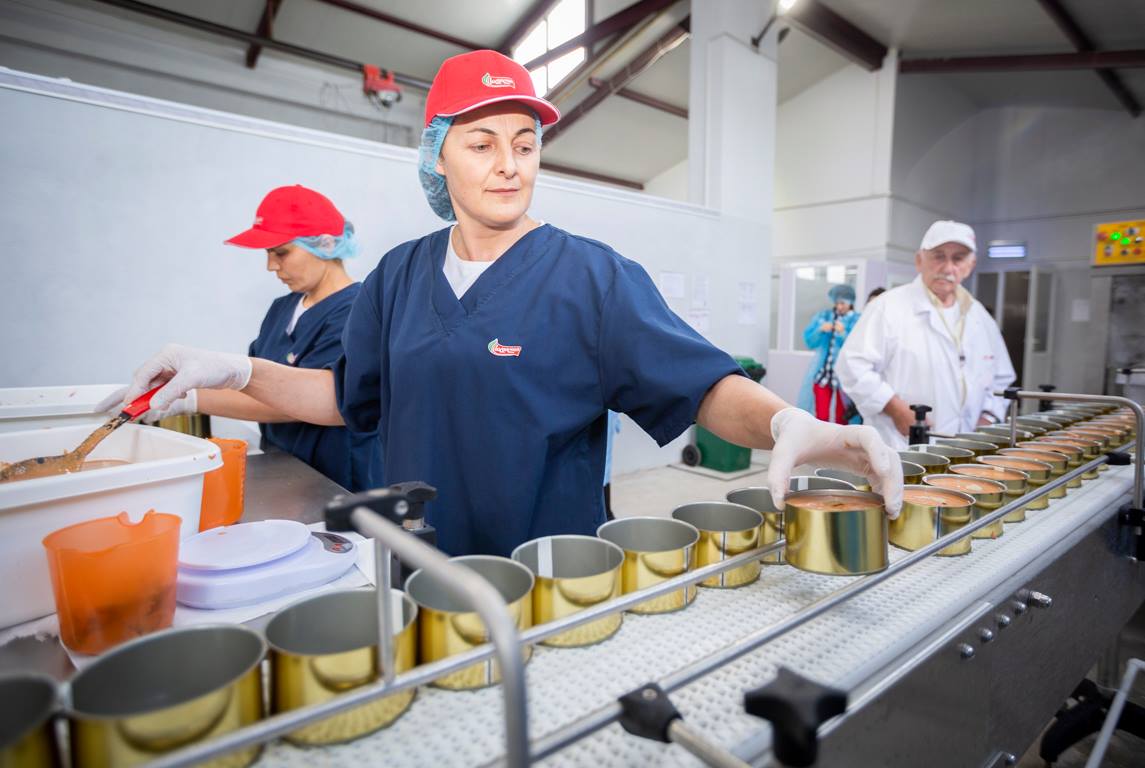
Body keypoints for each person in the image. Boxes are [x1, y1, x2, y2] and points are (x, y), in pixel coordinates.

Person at [121, 50, 903, 556]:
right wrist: (231, 371)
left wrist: (786, 423)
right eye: (481, 143)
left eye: (524, 145)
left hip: (545, 574)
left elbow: (700, 387)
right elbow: (342, 396)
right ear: (437, 157)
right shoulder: (397, 276)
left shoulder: (593, 278)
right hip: (416, 564)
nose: (509, 165)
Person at [111, 185, 377, 491]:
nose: (271, 265)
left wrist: (190, 398)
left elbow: (308, 400)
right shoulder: (282, 308)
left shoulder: (356, 311)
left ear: (326, 244)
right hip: (284, 467)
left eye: (282, 252)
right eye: (268, 253)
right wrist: (179, 384)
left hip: (336, 477)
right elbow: (253, 384)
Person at [837, 220, 1015, 450]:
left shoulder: (979, 316)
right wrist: (895, 408)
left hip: (966, 449)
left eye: (958, 258)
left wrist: (988, 418)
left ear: (970, 265)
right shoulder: (887, 307)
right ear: (919, 260)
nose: (948, 268)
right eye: (939, 256)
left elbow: (1001, 377)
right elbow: (851, 366)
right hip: (900, 444)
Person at [797, 284, 859, 424]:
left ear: (850, 302)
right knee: (821, 417)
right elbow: (809, 342)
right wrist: (820, 330)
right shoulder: (824, 317)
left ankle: (841, 439)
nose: (839, 307)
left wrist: (843, 333)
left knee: (842, 418)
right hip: (823, 375)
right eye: (837, 303)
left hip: (844, 377)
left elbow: (858, 347)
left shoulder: (857, 320)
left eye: (842, 303)